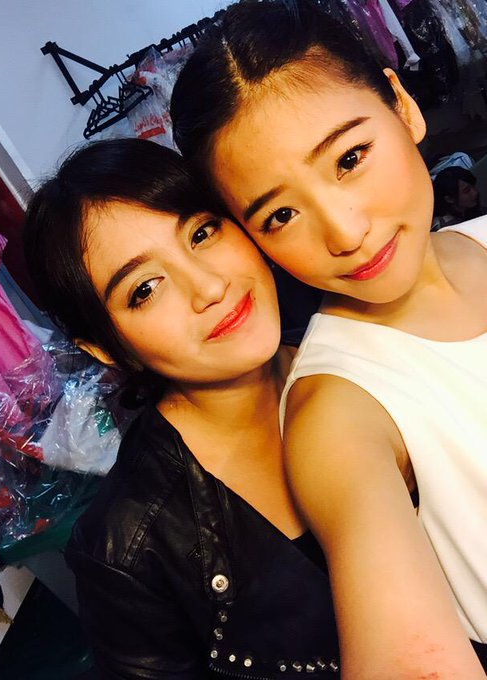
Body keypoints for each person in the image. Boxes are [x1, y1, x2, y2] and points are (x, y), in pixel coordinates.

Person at [170, 0, 487, 676]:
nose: (344, 233)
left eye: (349, 158)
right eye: (280, 214)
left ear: (402, 107)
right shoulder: (336, 410)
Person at [23, 138, 342, 679]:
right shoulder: (125, 553)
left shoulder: (358, 348)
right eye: (145, 289)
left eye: (201, 233)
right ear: (107, 348)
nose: (210, 286)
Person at [432, 165, 484, 231]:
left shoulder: (471, 210)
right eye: (467, 191)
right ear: (450, 199)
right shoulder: (445, 228)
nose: (475, 192)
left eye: (473, 186)